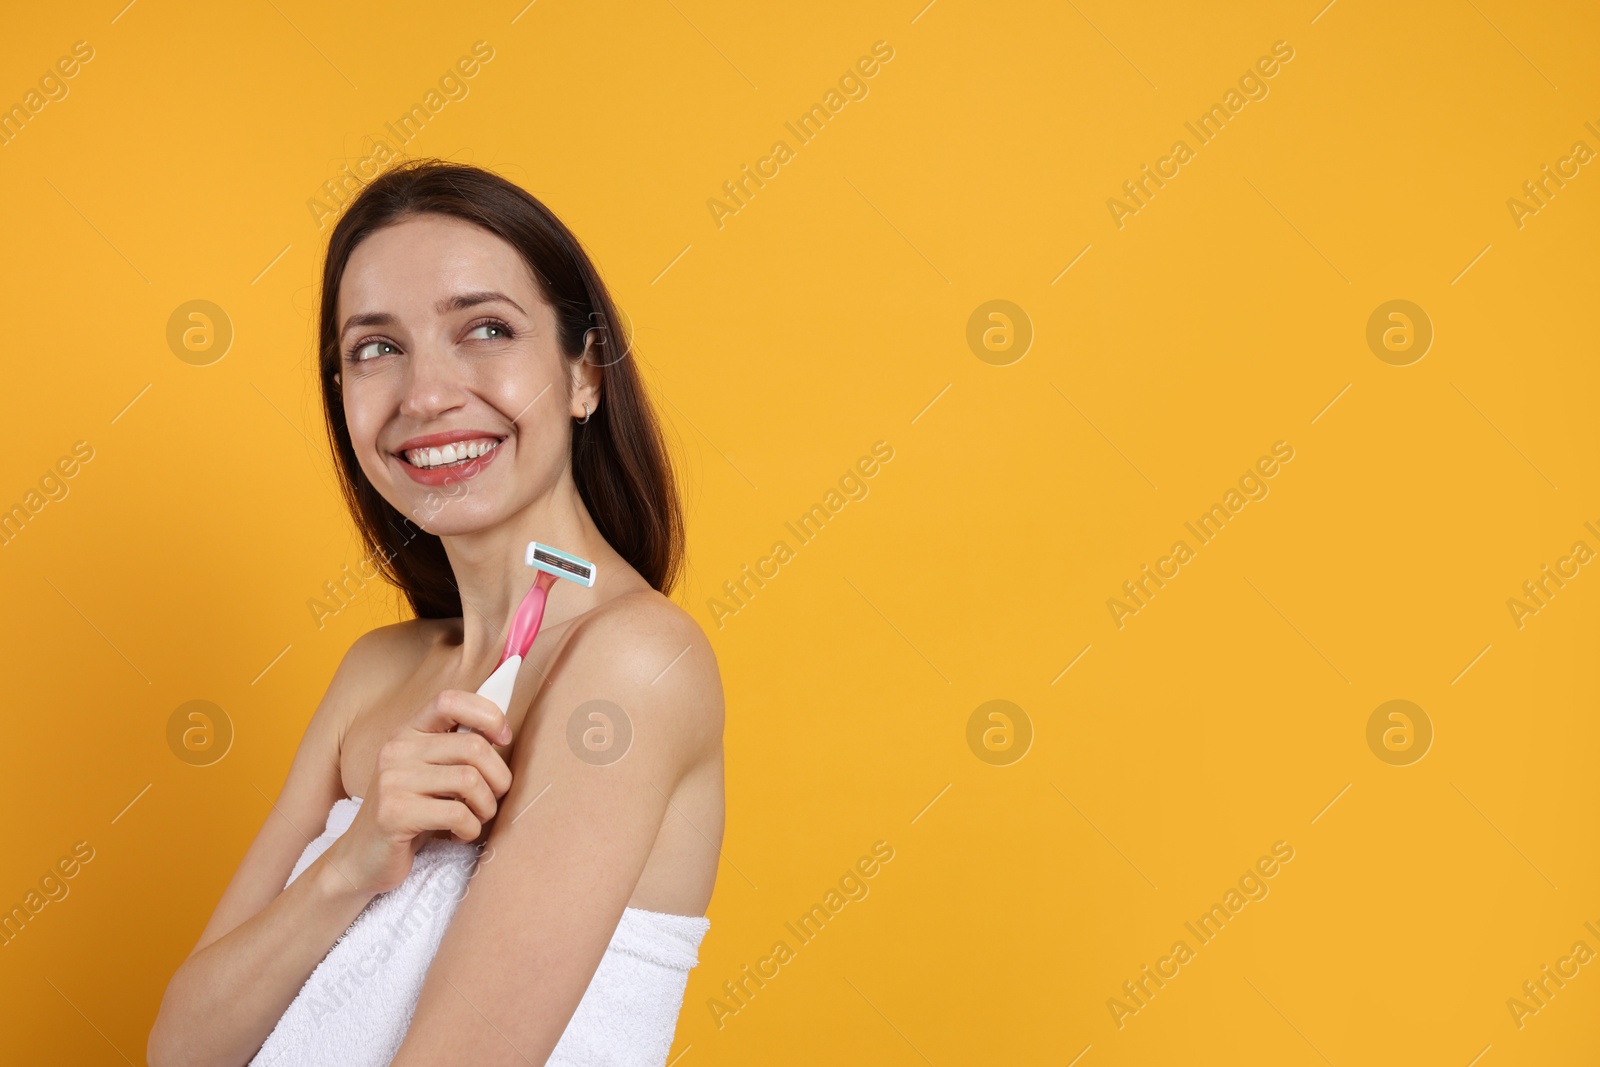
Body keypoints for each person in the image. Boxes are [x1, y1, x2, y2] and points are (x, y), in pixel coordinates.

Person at [148, 159, 726, 1066]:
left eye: (486, 329)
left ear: (584, 375)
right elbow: (182, 1047)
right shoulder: (376, 671)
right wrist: (354, 859)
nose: (424, 395)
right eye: (375, 348)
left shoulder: (635, 663)